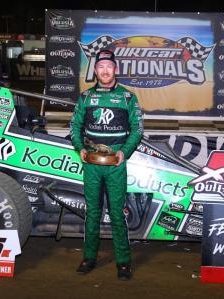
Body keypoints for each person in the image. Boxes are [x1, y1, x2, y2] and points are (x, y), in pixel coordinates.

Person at [70, 49, 144, 281]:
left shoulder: (128, 97)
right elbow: (74, 127)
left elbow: (138, 129)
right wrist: (79, 147)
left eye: (109, 67)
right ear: (95, 70)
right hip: (91, 164)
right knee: (92, 212)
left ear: (116, 70)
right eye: (100, 67)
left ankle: (123, 262)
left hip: (115, 165)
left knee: (116, 214)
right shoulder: (85, 97)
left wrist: (125, 152)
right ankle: (89, 257)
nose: (104, 71)